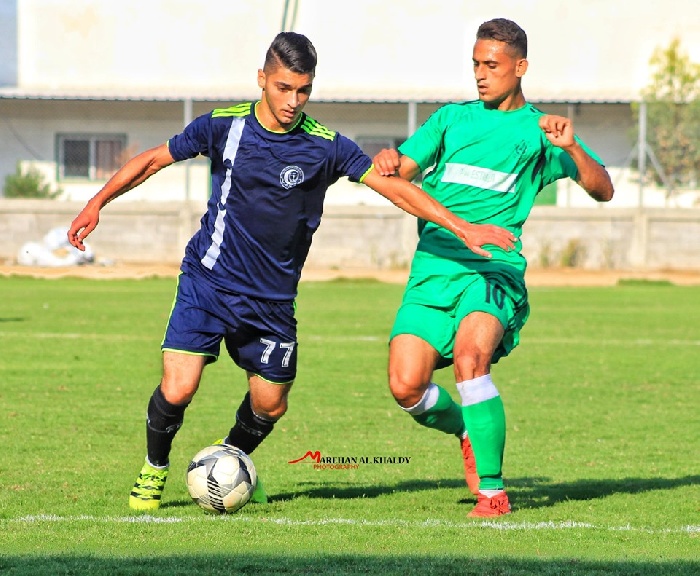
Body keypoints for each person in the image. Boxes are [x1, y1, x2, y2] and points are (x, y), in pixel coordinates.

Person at [67, 31, 517, 511]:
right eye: (283, 88)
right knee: (179, 387)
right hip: (208, 281)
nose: (293, 100)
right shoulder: (223, 126)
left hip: (272, 300)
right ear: (262, 80)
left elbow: (394, 189)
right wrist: (97, 202)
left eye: (303, 90)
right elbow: (153, 160)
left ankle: (232, 459)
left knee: (270, 405)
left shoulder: (325, 145)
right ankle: (153, 471)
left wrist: (461, 227)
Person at [372, 18, 614, 518]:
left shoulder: (543, 131)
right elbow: (402, 179)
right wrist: (391, 162)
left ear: (520, 67)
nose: (481, 75)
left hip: (494, 270)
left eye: (492, 65)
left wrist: (571, 147)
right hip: (433, 269)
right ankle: (466, 428)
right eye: (476, 64)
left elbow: (603, 188)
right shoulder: (449, 120)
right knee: (405, 386)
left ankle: (493, 492)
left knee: (470, 358)